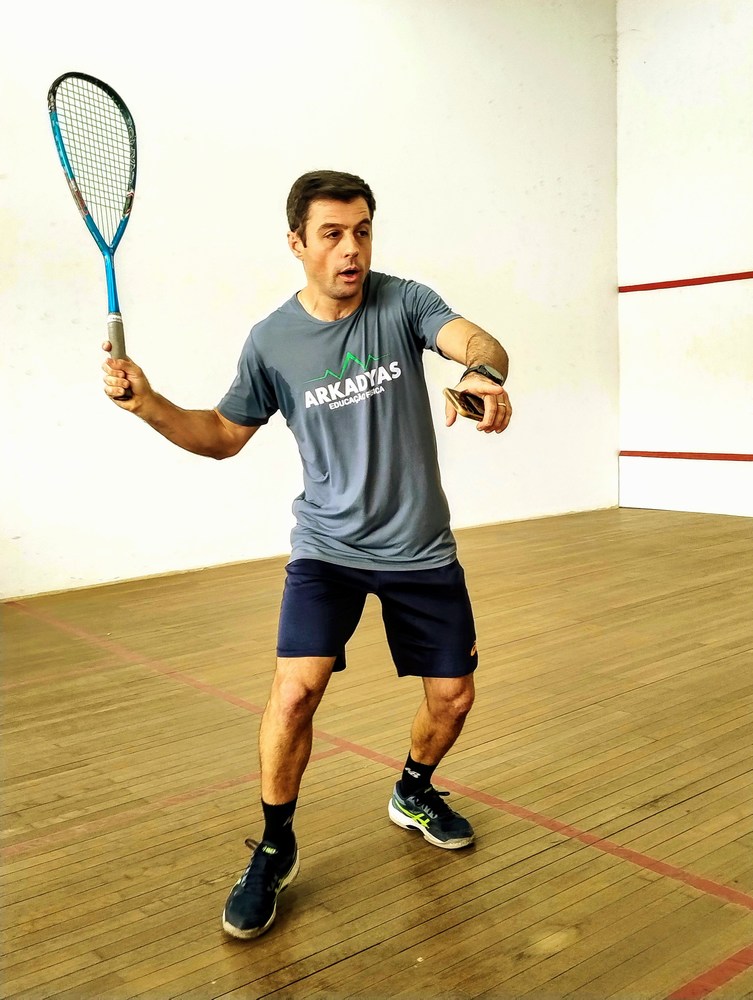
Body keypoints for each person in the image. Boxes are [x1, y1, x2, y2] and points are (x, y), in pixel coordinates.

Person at [102, 170, 512, 941]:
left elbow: (477, 340)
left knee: (453, 698)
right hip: (327, 549)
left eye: (362, 231)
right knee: (294, 694)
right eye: (331, 234)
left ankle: (413, 790)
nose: (351, 249)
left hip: (419, 547)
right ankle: (273, 845)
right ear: (296, 243)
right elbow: (222, 436)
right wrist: (148, 404)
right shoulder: (272, 341)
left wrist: (480, 372)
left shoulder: (403, 301)